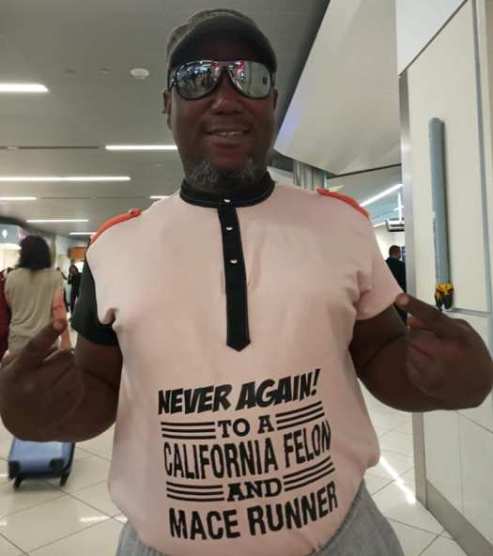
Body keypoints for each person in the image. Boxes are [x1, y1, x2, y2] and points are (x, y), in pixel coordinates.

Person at [0, 9, 492, 556]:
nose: (226, 97)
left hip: (343, 537)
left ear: (273, 102)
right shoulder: (114, 248)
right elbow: (97, 386)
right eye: (197, 77)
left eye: (250, 77)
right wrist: (38, 411)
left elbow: (379, 355)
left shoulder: (342, 226)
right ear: (167, 105)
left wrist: (452, 381)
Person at [3, 235, 71, 355]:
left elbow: (10, 303)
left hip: (17, 340)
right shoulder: (55, 276)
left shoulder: (11, 276)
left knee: (19, 368)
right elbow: (58, 308)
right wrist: (66, 340)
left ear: (23, 254)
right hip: (46, 341)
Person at [386, 245, 407, 323]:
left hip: (386, 299)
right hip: (399, 297)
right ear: (397, 253)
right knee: (402, 320)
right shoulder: (402, 265)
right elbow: (404, 282)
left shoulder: (384, 265)